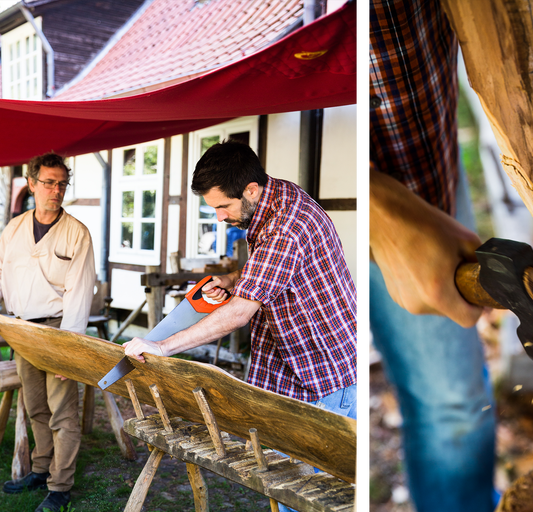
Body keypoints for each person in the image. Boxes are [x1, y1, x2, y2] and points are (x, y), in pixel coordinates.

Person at [122, 141, 358, 509]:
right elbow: (274, 268)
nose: (218, 216)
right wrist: (236, 278)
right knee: (283, 480)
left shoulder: (285, 226)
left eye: (222, 207)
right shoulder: (273, 196)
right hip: (294, 365)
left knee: (312, 495)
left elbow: (238, 314)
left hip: (323, 375)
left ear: (250, 189)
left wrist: (162, 347)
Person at [368, 0, 498, 510]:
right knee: (450, 406)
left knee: (460, 401)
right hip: (382, 207)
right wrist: (379, 208)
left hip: (428, 152)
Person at [0, 153, 96, 512]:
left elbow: (80, 294)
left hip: (59, 329)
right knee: (35, 407)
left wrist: (69, 350)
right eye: (48, 182)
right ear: (31, 184)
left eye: (62, 183)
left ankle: (60, 487)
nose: (56, 190)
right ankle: (42, 467)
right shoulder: (14, 228)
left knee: (62, 412)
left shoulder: (77, 233)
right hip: (21, 329)